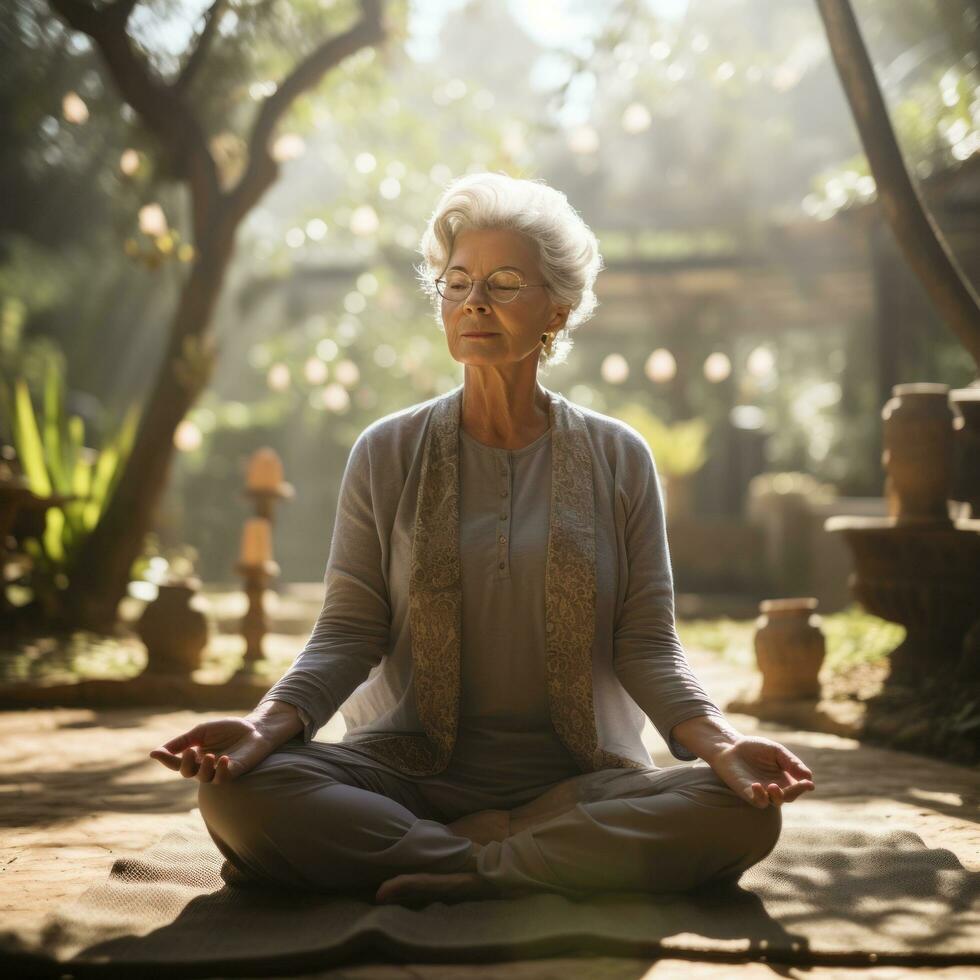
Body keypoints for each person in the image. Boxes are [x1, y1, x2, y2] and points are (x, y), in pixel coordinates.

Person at [150, 172, 815, 906]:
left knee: (740, 814)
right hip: (402, 780)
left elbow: (647, 644)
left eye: (503, 283)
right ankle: (522, 864)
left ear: (556, 310)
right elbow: (347, 630)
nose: (473, 302)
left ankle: (466, 870)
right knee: (244, 794)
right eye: (457, 282)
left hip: (580, 784)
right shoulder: (386, 451)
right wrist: (262, 727)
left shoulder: (619, 457)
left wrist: (721, 745)